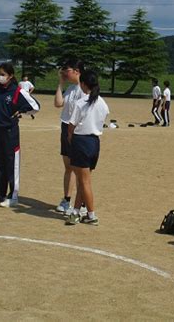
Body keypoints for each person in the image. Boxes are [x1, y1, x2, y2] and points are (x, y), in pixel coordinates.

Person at [0, 62, 40, 208]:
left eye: (3, 74)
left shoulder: (17, 91)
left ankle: (13, 196)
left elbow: (35, 107)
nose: (0, 77)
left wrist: (21, 112)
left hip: (10, 132)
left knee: (11, 164)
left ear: (10, 76)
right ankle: (0, 193)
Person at [66, 70, 109, 226]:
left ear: (83, 84)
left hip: (81, 142)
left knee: (84, 182)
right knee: (83, 180)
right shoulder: (102, 103)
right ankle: (76, 211)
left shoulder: (81, 103)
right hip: (94, 143)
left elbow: (71, 126)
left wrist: (71, 139)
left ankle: (91, 215)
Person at [53, 60, 87, 215]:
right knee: (68, 168)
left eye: (67, 70)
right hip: (65, 127)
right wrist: (60, 83)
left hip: (77, 130)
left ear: (76, 71)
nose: (65, 73)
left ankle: (83, 203)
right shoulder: (71, 89)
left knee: (79, 169)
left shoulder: (85, 89)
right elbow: (58, 103)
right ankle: (67, 200)